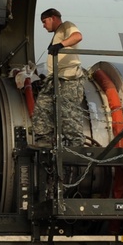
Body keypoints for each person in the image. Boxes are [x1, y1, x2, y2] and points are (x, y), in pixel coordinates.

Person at [32, 8, 88, 146]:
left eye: (44, 22)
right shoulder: (58, 33)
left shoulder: (66, 26)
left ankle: (76, 145)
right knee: (43, 105)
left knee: (68, 112)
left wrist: (60, 45)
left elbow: (77, 36)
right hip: (56, 77)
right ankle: (44, 139)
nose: (44, 26)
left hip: (69, 78)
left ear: (53, 18)